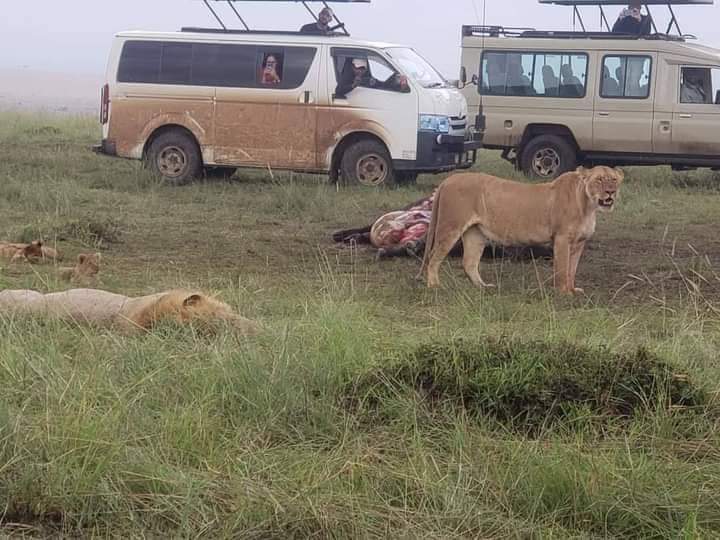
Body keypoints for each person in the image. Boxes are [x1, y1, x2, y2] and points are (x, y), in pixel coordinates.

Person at [334, 57, 408, 98]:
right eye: (358, 68)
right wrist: (353, 85)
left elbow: (383, 86)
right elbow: (339, 91)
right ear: (353, 67)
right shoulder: (347, 79)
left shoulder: (368, 80)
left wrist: (400, 84)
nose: (360, 71)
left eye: (363, 69)